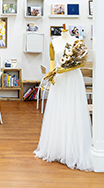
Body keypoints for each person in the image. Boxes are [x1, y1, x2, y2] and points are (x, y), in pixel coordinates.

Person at [34, 27, 93, 171]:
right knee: (58, 110)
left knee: (73, 109)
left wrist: (63, 70)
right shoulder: (53, 42)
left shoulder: (77, 42)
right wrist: (52, 73)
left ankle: (73, 146)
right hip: (59, 80)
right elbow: (52, 60)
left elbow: (81, 63)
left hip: (73, 79)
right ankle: (58, 147)